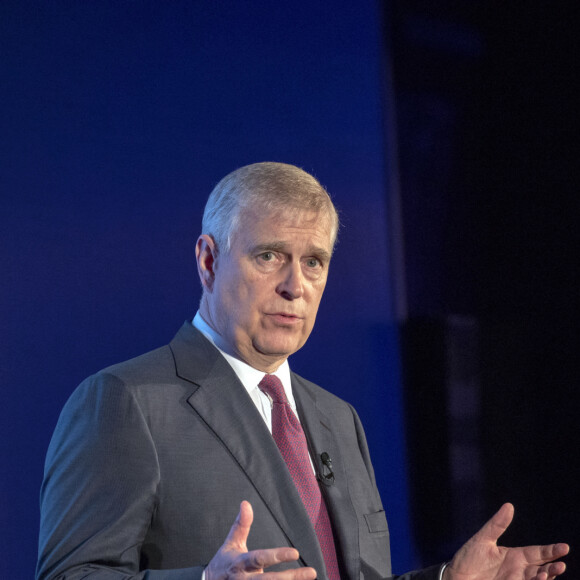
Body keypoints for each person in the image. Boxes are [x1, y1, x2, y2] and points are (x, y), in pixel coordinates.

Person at [37, 162, 569, 580]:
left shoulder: (338, 419)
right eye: (269, 256)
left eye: (314, 261)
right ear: (208, 261)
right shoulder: (127, 402)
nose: (296, 285)